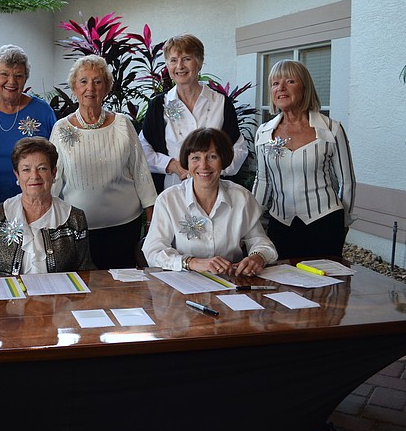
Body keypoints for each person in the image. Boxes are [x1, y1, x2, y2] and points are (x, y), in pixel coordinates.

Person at [50, 54, 157, 269]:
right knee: (83, 293)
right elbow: (54, 178)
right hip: (77, 228)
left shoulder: (123, 124)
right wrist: (47, 218)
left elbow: (140, 171)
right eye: (84, 81)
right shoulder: (61, 128)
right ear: (74, 88)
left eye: (98, 81)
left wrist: (151, 217)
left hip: (125, 226)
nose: (91, 87)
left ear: (106, 88)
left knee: (123, 290)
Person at [253, 59, 356, 258]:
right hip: (280, 224)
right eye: (275, 83)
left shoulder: (332, 129)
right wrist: (251, 224)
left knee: (324, 286)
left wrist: (344, 222)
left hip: (325, 223)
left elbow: (347, 181)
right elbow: (263, 182)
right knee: (279, 285)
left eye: (290, 81)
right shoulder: (264, 133)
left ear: (305, 88)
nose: (281, 88)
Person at [143, 127, 277, 274]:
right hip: (183, 284)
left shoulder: (241, 198)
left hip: (231, 284)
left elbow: (262, 243)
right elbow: (153, 251)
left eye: (212, 157)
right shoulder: (169, 200)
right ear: (187, 162)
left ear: (223, 161)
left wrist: (257, 258)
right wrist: (191, 262)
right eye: (196, 158)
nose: (204, 165)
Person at [0, 45, 57, 234]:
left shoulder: (43, 111)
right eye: (4, 74)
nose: (11, 81)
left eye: (19, 75)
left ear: (26, 79)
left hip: (34, 202)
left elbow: (55, 157)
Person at [139, 34, 247, 193]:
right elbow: (142, 150)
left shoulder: (221, 103)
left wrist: (210, 169)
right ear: (167, 65)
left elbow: (239, 150)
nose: (180, 66)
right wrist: (171, 165)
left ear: (200, 62)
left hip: (214, 192)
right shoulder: (158, 105)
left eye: (187, 59)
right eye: (173, 60)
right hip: (173, 191)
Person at [0, 137, 94, 276]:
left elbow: (85, 273)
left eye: (42, 168)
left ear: (53, 173)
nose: (34, 176)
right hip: (10, 297)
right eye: (26, 170)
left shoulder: (74, 218)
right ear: (17, 175)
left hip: (60, 297)